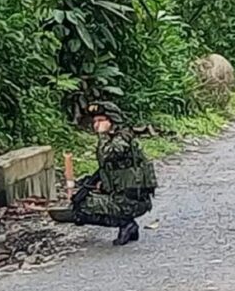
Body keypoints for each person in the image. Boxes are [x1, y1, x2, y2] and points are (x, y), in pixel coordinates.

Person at [51, 101, 157, 246]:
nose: (97, 125)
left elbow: (107, 155)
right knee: (79, 200)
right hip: (124, 198)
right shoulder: (116, 137)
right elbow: (107, 170)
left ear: (113, 120)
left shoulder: (123, 138)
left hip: (132, 202)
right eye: (95, 121)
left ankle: (125, 223)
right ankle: (127, 224)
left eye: (101, 120)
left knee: (82, 207)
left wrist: (102, 134)